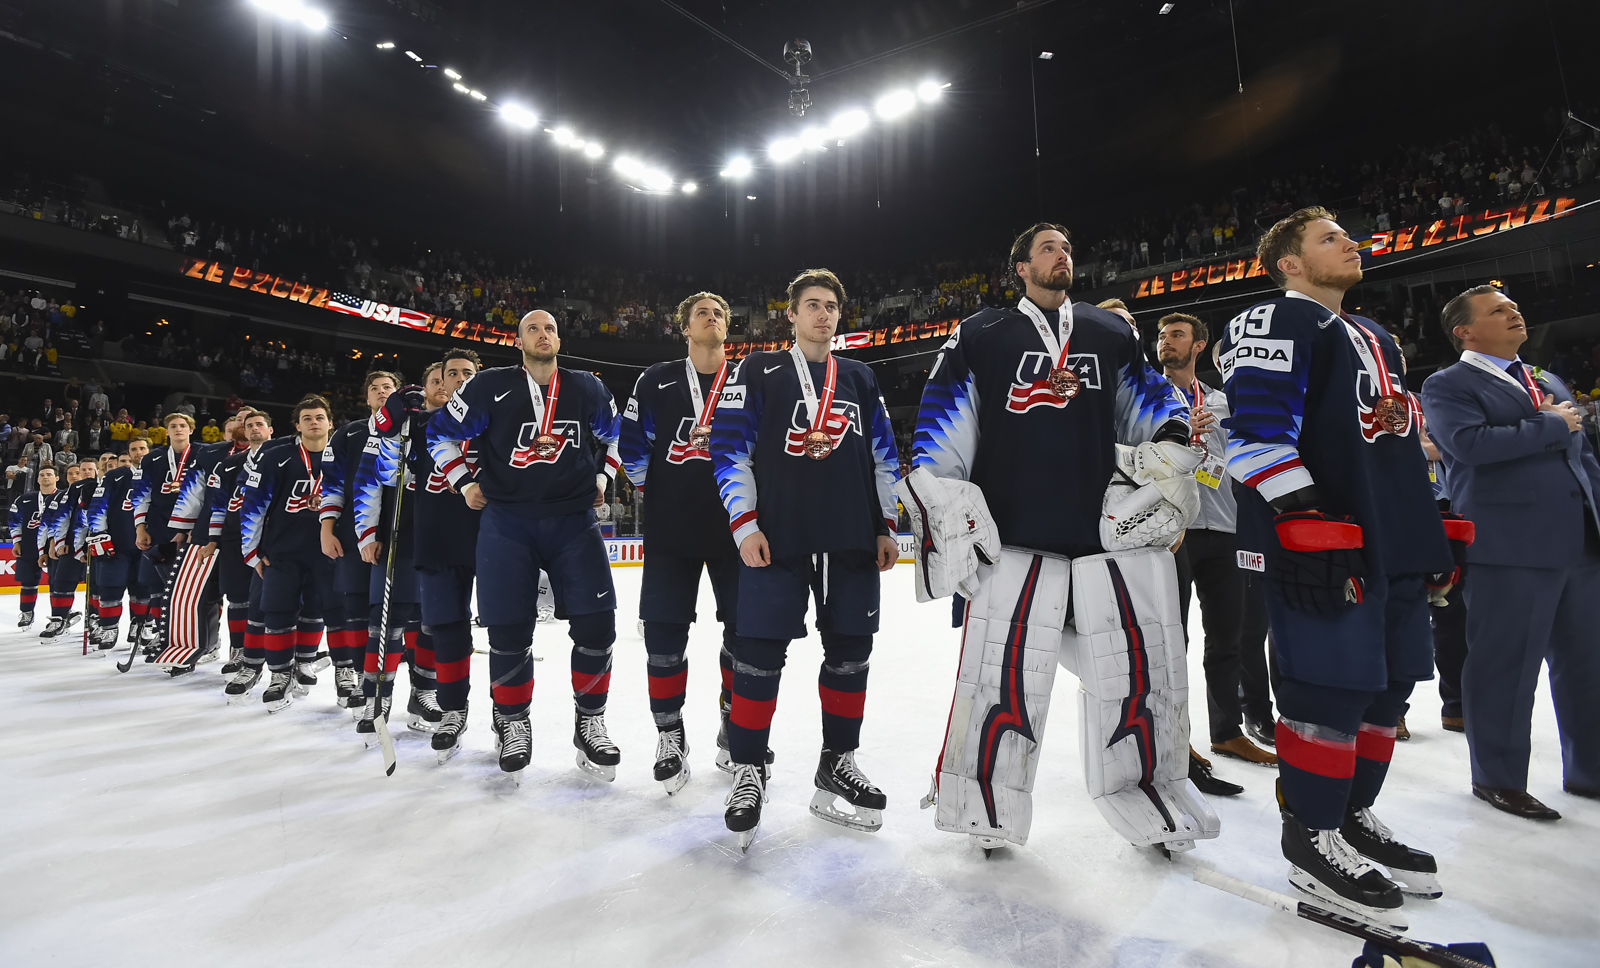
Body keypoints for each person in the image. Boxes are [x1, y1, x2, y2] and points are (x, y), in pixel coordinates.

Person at [905, 223, 1211, 860]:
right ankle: (983, 798)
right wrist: (940, 488)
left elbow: (1148, 400)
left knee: (1135, 673)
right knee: (1002, 676)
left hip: (1105, 533)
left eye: (1068, 248)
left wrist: (1175, 436)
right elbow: (943, 417)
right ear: (1019, 267)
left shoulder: (1109, 330)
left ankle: (1150, 792)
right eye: (1047, 248)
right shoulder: (981, 334)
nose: (1061, 256)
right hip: (1013, 534)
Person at [1219, 206, 1455, 929]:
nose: (1349, 243)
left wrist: (1429, 531)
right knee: (1329, 688)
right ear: (1288, 263)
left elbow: (1400, 442)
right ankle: (1311, 834)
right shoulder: (1273, 321)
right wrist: (1309, 520)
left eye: (1348, 235)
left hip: (1393, 540)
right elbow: (1252, 436)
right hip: (1325, 543)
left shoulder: (1375, 332)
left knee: (1390, 685)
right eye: (1329, 238)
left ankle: (1352, 816)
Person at [711, 269, 899, 850]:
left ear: (840, 316)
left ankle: (836, 762)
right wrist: (744, 524)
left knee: (850, 653)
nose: (822, 314)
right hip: (778, 537)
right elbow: (728, 450)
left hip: (849, 538)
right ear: (790, 315)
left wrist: (885, 524)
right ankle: (748, 767)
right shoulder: (757, 370)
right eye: (811, 305)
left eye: (831, 306)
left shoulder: (862, 377)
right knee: (758, 653)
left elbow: (884, 455)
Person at [1421, 286, 1600, 820]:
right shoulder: (1447, 384)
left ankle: (1590, 771)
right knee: (1505, 666)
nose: (1513, 312)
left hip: (1580, 541)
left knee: (1588, 667)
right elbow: (1468, 446)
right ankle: (1497, 778)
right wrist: (1551, 423)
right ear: (1466, 332)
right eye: (1498, 310)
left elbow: (1583, 457)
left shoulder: (1544, 378)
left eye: (1514, 306)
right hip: (1510, 545)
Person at [426, 311, 623, 780]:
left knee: (597, 627)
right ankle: (512, 723)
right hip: (508, 522)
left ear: (559, 338)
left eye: (550, 328)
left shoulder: (588, 388)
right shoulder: (486, 386)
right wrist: (462, 482)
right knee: (509, 632)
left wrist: (603, 475)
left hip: (574, 520)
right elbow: (439, 434)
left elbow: (619, 437)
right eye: (532, 329)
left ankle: (590, 722)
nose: (542, 334)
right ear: (518, 342)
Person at [619, 291, 743, 796]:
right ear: (684, 327)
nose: (710, 319)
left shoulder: (746, 379)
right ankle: (670, 736)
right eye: (701, 314)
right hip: (672, 532)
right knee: (664, 636)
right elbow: (631, 447)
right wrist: (664, 494)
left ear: (726, 328)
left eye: (718, 314)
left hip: (739, 529)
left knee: (744, 633)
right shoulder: (656, 380)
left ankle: (735, 725)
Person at [1159, 313, 1277, 782]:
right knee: (1173, 641)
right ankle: (1174, 739)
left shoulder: (1224, 401)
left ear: (1200, 346)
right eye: (1163, 336)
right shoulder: (1148, 397)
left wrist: (1212, 437)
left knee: (1227, 638)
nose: (1166, 343)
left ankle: (1228, 729)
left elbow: (1244, 459)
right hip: (1174, 530)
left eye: (1177, 336)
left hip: (1224, 528)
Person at [384, 350, 482, 762]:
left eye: (466, 374)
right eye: (449, 374)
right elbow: (382, 435)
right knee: (444, 626)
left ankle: (508, 717)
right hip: (437, 537)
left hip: (493, 537)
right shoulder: (417, 424)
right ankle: (452, 711)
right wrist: (402, 396)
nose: (457, 380)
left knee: (508, 629)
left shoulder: (497, 417)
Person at [239, 395, 338, 709]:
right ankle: (279, 674)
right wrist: (251, 551)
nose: (313, 422)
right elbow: (252, 506)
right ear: (297, 425)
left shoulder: (343, 455)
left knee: (319, 608)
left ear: (330, 423)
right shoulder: (275, 455)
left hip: (327, 550)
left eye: (319, 417)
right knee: (278, 611)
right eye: (306, 418)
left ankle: (305, 661)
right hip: (282, 550)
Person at [319, 372, 402, 708]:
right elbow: (332, 485)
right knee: (355, 609)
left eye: (388, 388)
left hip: (400, 531)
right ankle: (359, 681)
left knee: (395, 615)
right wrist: (326, 528)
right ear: (366, 398)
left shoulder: (411, 428)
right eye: (375, 389)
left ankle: (403, 689)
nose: (381, 393)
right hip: (354, 532)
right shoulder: (348, 433)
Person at [130, 413, 205, 654]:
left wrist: (195, 528)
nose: (178, 429)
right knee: (156, 583)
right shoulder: (152, 458)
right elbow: (141, 496)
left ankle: (199, 637)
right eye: (173, 426)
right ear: (166, 431)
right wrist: (141, 527)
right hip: (159, 527)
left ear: (191, 430)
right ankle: (164, 633)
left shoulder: (203, 454)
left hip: (196, 528)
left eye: (183, 426)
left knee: (193, 586)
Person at [8, 464, 54, 629]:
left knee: (58, 583)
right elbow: (14, 522)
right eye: (42, 474)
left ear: (56, 478)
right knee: (28, 581)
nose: (45, 477)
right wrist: (16, 541)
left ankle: (60, 616)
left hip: (54, 547)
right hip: (28, 545)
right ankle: (27, 613)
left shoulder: (63, 498)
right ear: (37, 479)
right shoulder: (24, 499)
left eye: (49, 474)